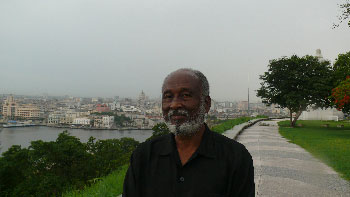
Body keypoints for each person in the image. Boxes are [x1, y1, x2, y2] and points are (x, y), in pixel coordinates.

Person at [123, 68, 255, 197]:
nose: (174, 105)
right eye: (168, 97)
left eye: (185, 96)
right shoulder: (144, 156)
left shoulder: (235, 157)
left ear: (206, 104)